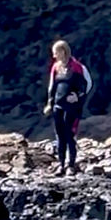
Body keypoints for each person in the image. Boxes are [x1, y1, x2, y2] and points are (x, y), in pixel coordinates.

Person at [43, 40, 92, 176]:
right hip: (58, 106)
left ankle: (71, 165)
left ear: (63, 52)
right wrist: (49, 103)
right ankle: (61, 164)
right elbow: (52, 86)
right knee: (60, 136)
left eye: (56, 53)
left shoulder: (77, 67)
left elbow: (87, 84)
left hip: (72, 107)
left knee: (70, 135)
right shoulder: (56, 67)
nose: (54, 56)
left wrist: (78, 95)